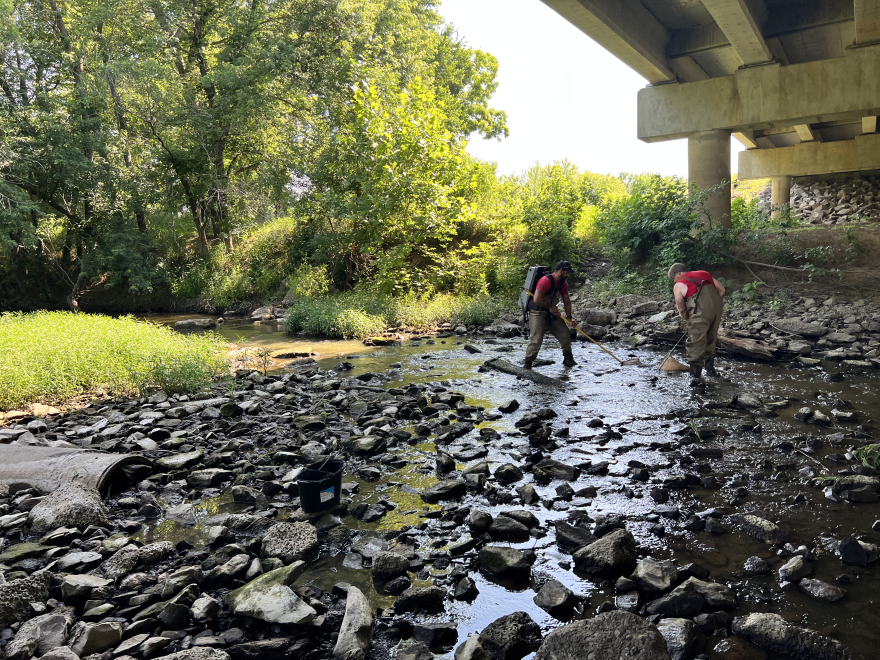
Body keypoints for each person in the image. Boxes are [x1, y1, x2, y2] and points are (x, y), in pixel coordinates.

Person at [668, 263, 726, 384]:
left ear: (678, 273)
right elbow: (721, 290)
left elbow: (682, 309)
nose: (674, 281)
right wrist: (713, 306)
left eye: (674, 278)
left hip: (699, 312)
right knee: (711, 337)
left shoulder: (679, 285)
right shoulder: (704, 274)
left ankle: (696, 376)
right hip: (717, 309)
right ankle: (710, 370)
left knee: (696, 341)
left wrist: (689, 319)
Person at [524, 261, 578, 369]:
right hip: (537, 312)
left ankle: (568, 359)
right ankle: (528, 363)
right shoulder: (545, 281)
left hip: (552, 312)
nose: (568, 275)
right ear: (561, 271)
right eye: (567, 273)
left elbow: (567, 301)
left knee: (565, 334)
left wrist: (569, 317)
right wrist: (551, 306)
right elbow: (536, 299)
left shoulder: (563, 284)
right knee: (536, 339)